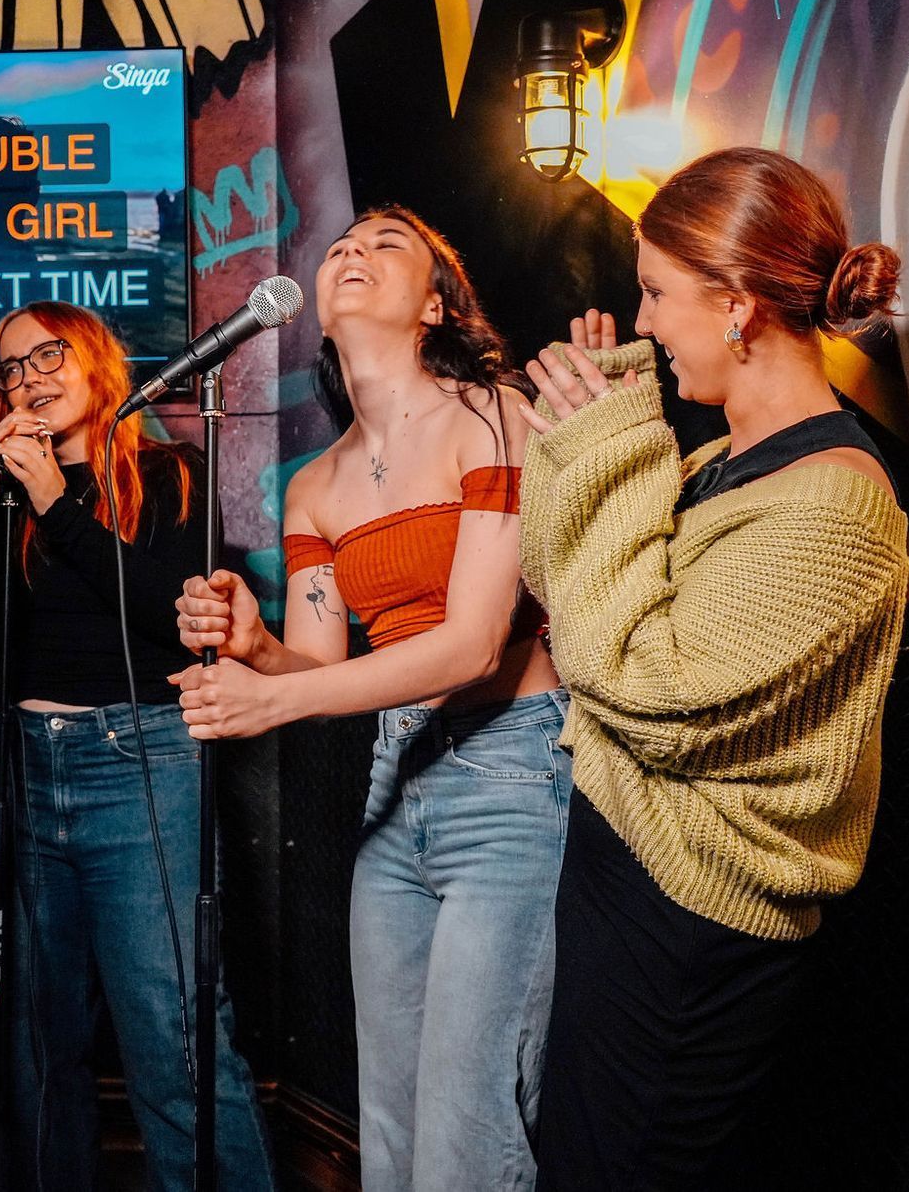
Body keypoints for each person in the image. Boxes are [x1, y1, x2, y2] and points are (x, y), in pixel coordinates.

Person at [515, 147, 909, 1190]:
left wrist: (616, 445)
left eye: (654, 291)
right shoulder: (711, 463)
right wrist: (575, 440)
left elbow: (642, 686)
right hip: (623, 884)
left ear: (734, 304)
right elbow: (560, 586)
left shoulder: (835, 500)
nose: (641, 323)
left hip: (694, 925)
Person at [170, 207, 567, 1191]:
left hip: (512, 769)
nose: (351, 250)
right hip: (398, 789)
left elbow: (473, 646)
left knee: (464, 1134)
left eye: (385, 244)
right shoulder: (316, 483)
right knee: (384, 1128)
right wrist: (259, 648)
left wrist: (268, 704)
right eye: (341, 243)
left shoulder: (493, 415)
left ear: (432, 305)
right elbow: (319, 666)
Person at [0, 300, 274, 1191]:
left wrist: (56, 504)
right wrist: (1, 501)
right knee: (27, 1046)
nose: (28, 376)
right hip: (11, 761)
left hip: (137, 764)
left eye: (47, 353)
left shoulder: (172, 473)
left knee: (176, 1038)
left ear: (95, 361)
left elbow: (175, 623)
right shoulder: (7, 496)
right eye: (8, 368)